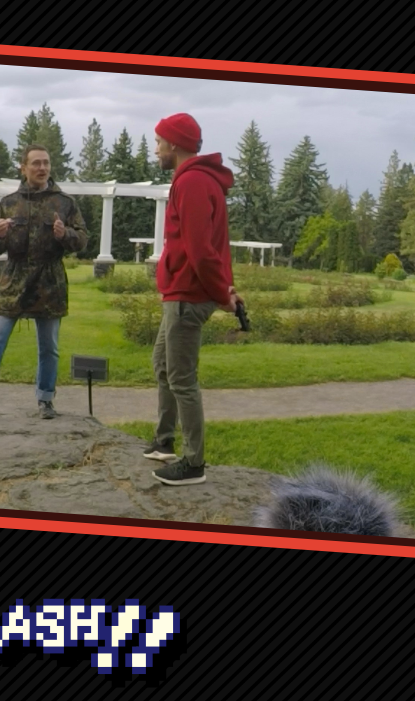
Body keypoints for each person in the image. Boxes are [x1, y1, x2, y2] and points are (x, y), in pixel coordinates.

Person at [142, 113, 241, 486]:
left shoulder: (193, 182)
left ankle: (193, 463)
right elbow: (213, 245)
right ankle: (164, 441)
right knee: (162, 365)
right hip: (181, 293)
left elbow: (201, 250)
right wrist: (226, 287)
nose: (156, 149)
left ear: (175, 144)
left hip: (188, 295)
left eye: (159, 142)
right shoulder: (193, 180)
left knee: (182, 379)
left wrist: (221, 293)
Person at [0, 144, 88, 423]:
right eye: (36, 163)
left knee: (49, 347)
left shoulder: (65, 203)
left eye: (46, 163)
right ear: (23, 168)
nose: (42, 168)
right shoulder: (9, 203)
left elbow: (82, 240)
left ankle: (46, 399)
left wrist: (64, 234)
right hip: (13, 282)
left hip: (49, 284)